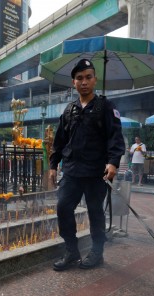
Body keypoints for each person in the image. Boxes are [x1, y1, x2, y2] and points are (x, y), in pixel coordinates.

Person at [49, 58, 125, 271]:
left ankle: (97, 252)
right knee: (63, 207)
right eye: (79, 78)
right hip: (72, 171)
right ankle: (72, 251)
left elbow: (115, 138)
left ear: (95, 79)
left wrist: (113, 162)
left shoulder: (106, 107)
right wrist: (53, 165)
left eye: (88, 77)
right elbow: (59, 141)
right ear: (74, 82)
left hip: (95, 172)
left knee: (95, 212)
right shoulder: (69, 110)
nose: (84, 82)